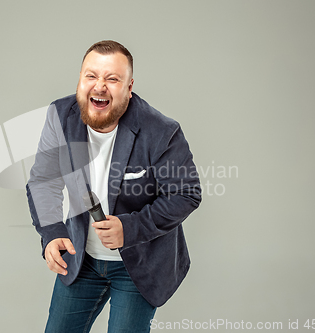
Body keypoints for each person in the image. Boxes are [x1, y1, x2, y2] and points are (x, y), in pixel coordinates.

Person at [26, 40, 201, 333]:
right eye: (91, 76)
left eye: (112, 79)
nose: (99, 86)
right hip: (82, 258)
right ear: (80, 79)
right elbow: (44, 179)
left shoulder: (160, 130)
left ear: (129, 88)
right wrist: (52, 232)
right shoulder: (61, 116)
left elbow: (186, 193)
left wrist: (129, 228)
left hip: (139, 265)